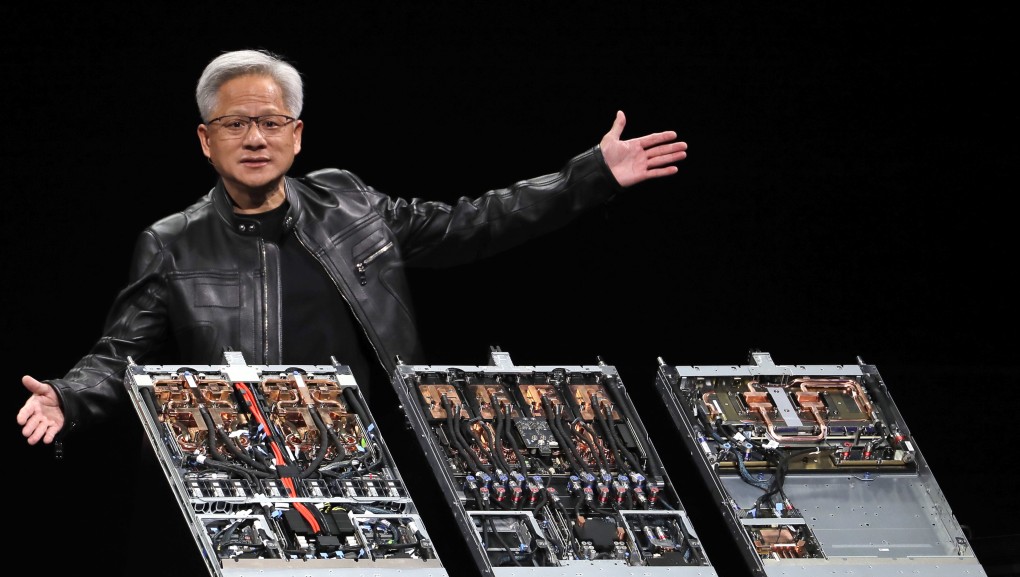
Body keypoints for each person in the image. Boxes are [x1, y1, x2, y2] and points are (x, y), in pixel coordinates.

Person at [17, 48, 688, 450]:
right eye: (235, 123)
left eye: (271, 121)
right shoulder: (172, 242)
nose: (255, 138)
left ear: (297, 134)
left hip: (389, 452)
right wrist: (68, 397)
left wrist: (588, 177)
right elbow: (122, 353)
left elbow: (473, 223)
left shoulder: (350, 201)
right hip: (265, 464)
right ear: (206, 140)